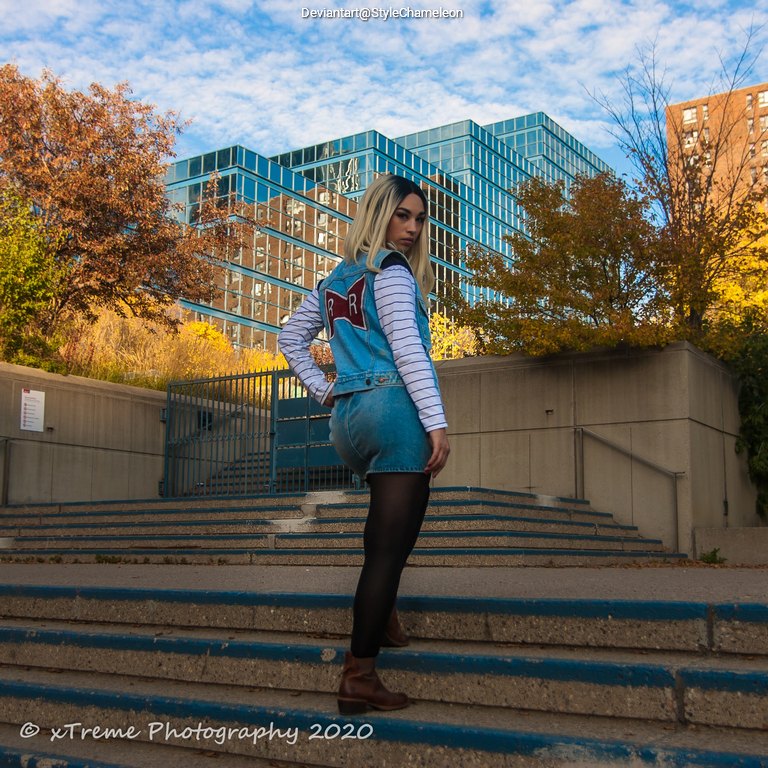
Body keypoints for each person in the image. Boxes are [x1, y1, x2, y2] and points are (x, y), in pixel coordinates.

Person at [278, 174, 450, 715]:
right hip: (392, 409)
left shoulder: (336, 279)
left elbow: (289, 337)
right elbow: (408, 351)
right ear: (378, 214)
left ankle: (387, 616)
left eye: (420, 219)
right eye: (403, 215)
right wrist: (436, 421)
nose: (413, 228)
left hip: (349, 420)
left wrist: (327, 390)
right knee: (386, 551)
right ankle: (360, 676)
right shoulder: (392, 273)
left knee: (384, 540)